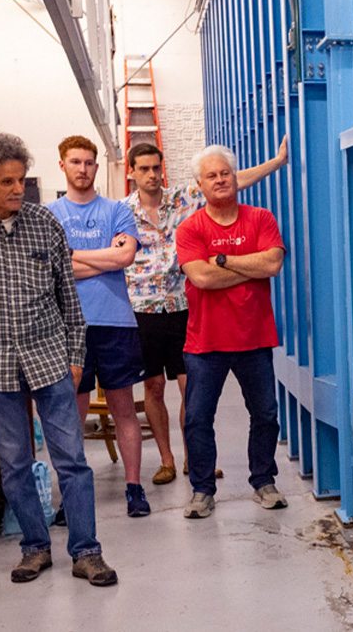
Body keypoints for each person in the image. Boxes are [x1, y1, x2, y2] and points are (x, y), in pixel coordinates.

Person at [0, 132, 117, 585]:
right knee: (15, 465)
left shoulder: (46, 224)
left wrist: (75, 357)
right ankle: (35, 548)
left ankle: (86, 551)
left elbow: (69, 302)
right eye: (7, 181)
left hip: (50, 361)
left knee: (73, 461)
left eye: (21, 179)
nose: (19, 188)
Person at [123, 138, 288, 485]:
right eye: (144, 169)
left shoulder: (183, 199)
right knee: (153, 387)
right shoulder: (123, 211)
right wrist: (244, 269)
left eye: (156, 167)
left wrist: (276, 163)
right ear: (131, 173)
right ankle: (167, 461)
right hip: (144, 309)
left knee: (193, 397)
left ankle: (195, 463)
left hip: (183, 308)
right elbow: (200, 275)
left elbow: (231, 178)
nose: (152, 175)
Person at [176, 145, 287, 519]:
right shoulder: (191, 228)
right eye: (211, 176)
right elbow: (201, 277)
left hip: (254, 338)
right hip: (205, 342)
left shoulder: (260, 218)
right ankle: (202, 491)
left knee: (266, 414)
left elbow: (272, 263)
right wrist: (246, 267)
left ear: (235, 177)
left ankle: (263, 481)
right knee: (197, 418)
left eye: (225, 173)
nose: (220, 180)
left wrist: (223, 259)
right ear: (200, 184)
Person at [46, 135, 148, 518]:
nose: (84, 169)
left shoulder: (117, 210)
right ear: (62, 165)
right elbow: (56, 268)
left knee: (124, 409)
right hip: (67, 325)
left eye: (89, 162)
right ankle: (71, 497)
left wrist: (75, 257)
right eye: (76, 162)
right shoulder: (49, 214)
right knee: (71, 415)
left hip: (116, 322)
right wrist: (104, 258)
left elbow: (125, 257)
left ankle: (134, 489)